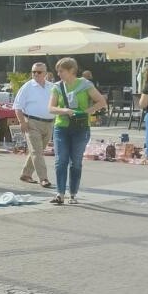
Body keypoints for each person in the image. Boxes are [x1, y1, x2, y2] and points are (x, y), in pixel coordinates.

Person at [48, 57, 107, 205]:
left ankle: (73, 193)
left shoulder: (85, 84)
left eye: (61, 71)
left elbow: (101, 102)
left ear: (72, 71)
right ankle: (60, 194)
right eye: (58, 71)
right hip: (61, 127)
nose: (59, 74)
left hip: (80, 128)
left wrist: (86, 112)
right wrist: (64, 110)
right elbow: (51, 108)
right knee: (60, 161)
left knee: (76, 162)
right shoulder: (57, 87)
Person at [12, 61, 55, 188]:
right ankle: (44, 178)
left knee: (38, 151)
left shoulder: (52, 86)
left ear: (45, 73)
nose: (36, 74)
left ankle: (26, 174)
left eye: (39, 72)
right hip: (32, 122)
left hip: (48, 123)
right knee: (37, 152)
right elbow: (17, 107)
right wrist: (22, 122)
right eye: (33, 72)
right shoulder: (27, 87)